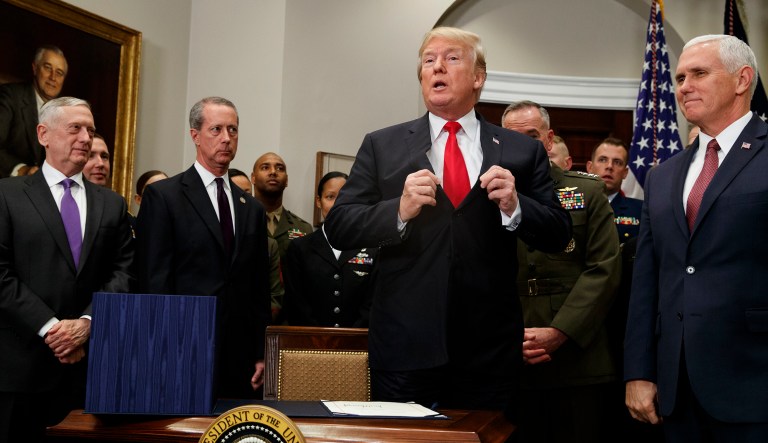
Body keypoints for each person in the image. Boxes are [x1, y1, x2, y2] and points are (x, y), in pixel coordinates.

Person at [324, 27, 571, 415]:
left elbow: (559, 233)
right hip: (405, 348)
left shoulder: (521, 151)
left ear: (478, 77)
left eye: (452, 58)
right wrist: (398, 210)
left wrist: (515, 205)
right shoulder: (382, 145)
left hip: (488, 352)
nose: (437, 65)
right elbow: (339, 225)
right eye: (428, 60)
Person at [625, 34, 768, 442]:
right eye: (681, 76)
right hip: (676, 391)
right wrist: (639, 372)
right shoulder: (663, 175)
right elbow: (647, 280)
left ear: (742, 80)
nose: (684, 86)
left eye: (699, 74)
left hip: (755, 383)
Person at [0, 97, 133, 442]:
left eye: (90, 129)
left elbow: (123, 272)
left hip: (89, 372)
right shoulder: (7, 195)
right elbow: (1, 274)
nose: (86, 138)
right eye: (75, 128)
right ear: (44, 134)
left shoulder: (112, 204)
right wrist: (51, 329)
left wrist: (87, 323)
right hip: (21, 371)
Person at [136, 96, 271, 398]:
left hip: (239, 357)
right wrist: (161, 347)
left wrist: (261, 352)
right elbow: (154, 280)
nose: (226, 138)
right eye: (217, 129)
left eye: (233, 130)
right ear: (195, 135)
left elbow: (258, 288)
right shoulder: (164, 197)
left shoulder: (251, 208)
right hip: (181, 346)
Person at [502, 100, 621, 442]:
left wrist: (559, 332)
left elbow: (604, 269)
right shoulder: (487, 195)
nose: (524, 144)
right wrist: (509, 337)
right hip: (512, 357)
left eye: (532, 135)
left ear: (549, 140)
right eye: (513, 138)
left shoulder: (587, 190)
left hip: (577, 358)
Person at [283, 171, 377, 327]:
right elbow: (296, 303)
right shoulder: (300, 248)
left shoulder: (372, 249)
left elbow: (372, 303)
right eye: (330, 197)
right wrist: (320, 339)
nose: (337, 204)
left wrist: (350, 337)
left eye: (344, 197)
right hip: (310, 342)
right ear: (319, 201)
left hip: (357, 343)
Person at [0, 45, 68, 178]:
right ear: (35, 68)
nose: (53, 77)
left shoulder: (65, 115)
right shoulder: (10, 96)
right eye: (48, 68)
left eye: (59, 73)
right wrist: (21, 170)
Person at [230, 166, 283, 320]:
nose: (242, 199)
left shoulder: (268, 244)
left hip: (254, 324)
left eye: (247, 193)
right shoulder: (211, 238)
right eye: (236, 192)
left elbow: (274, 294)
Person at [251, 152, 313, 258]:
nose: (273, 172)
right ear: (253, 178)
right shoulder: (240, 221)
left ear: (287, 180)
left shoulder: (303, 228)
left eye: (280, 168)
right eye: (265, 167)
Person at [586, 137, 642, 244]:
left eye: (617, 162)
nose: (609, 166)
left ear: (625, 172)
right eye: (602, 160)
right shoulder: (573, 206)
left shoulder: (641, 211)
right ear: (590, 167)